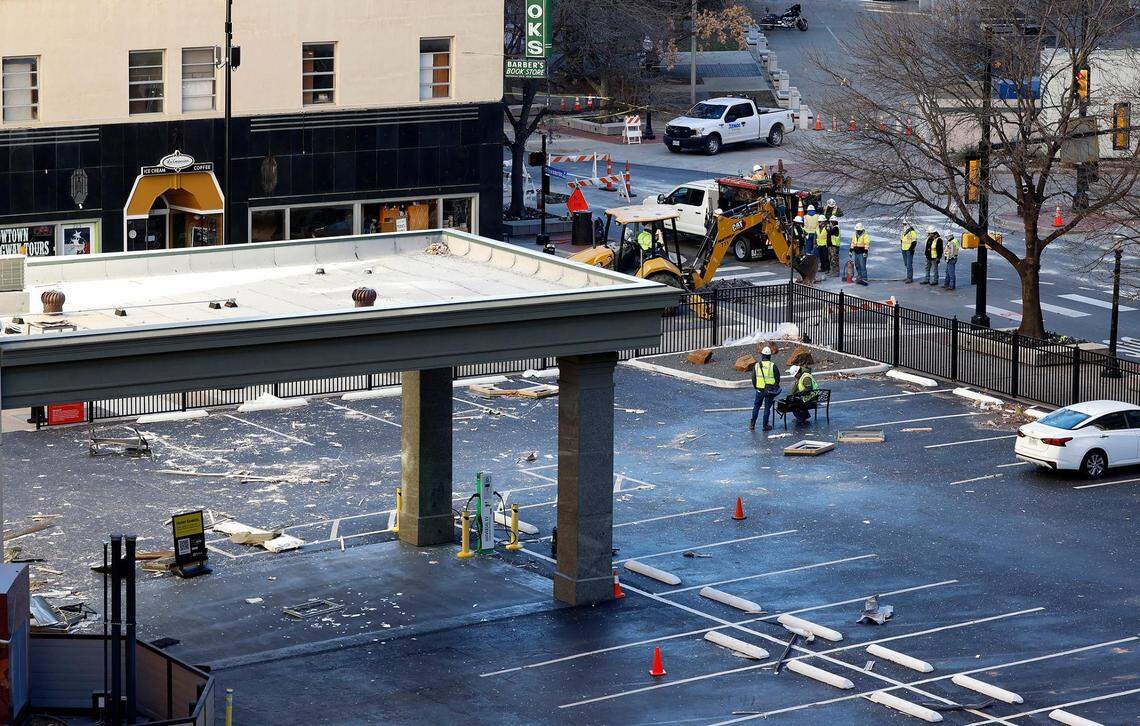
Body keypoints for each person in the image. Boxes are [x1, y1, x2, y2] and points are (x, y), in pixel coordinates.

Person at [749, 347, 781, 432]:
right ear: (769, 356)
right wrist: (774, 386)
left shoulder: (757, 365)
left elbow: (753, 378)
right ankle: (765, 425)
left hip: (759, 390)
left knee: (756, 407)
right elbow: (777, 378)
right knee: (767, 408)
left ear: (762, 355)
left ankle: (752, 424)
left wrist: (756, 387)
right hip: (769, 391)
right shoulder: (772, 365)